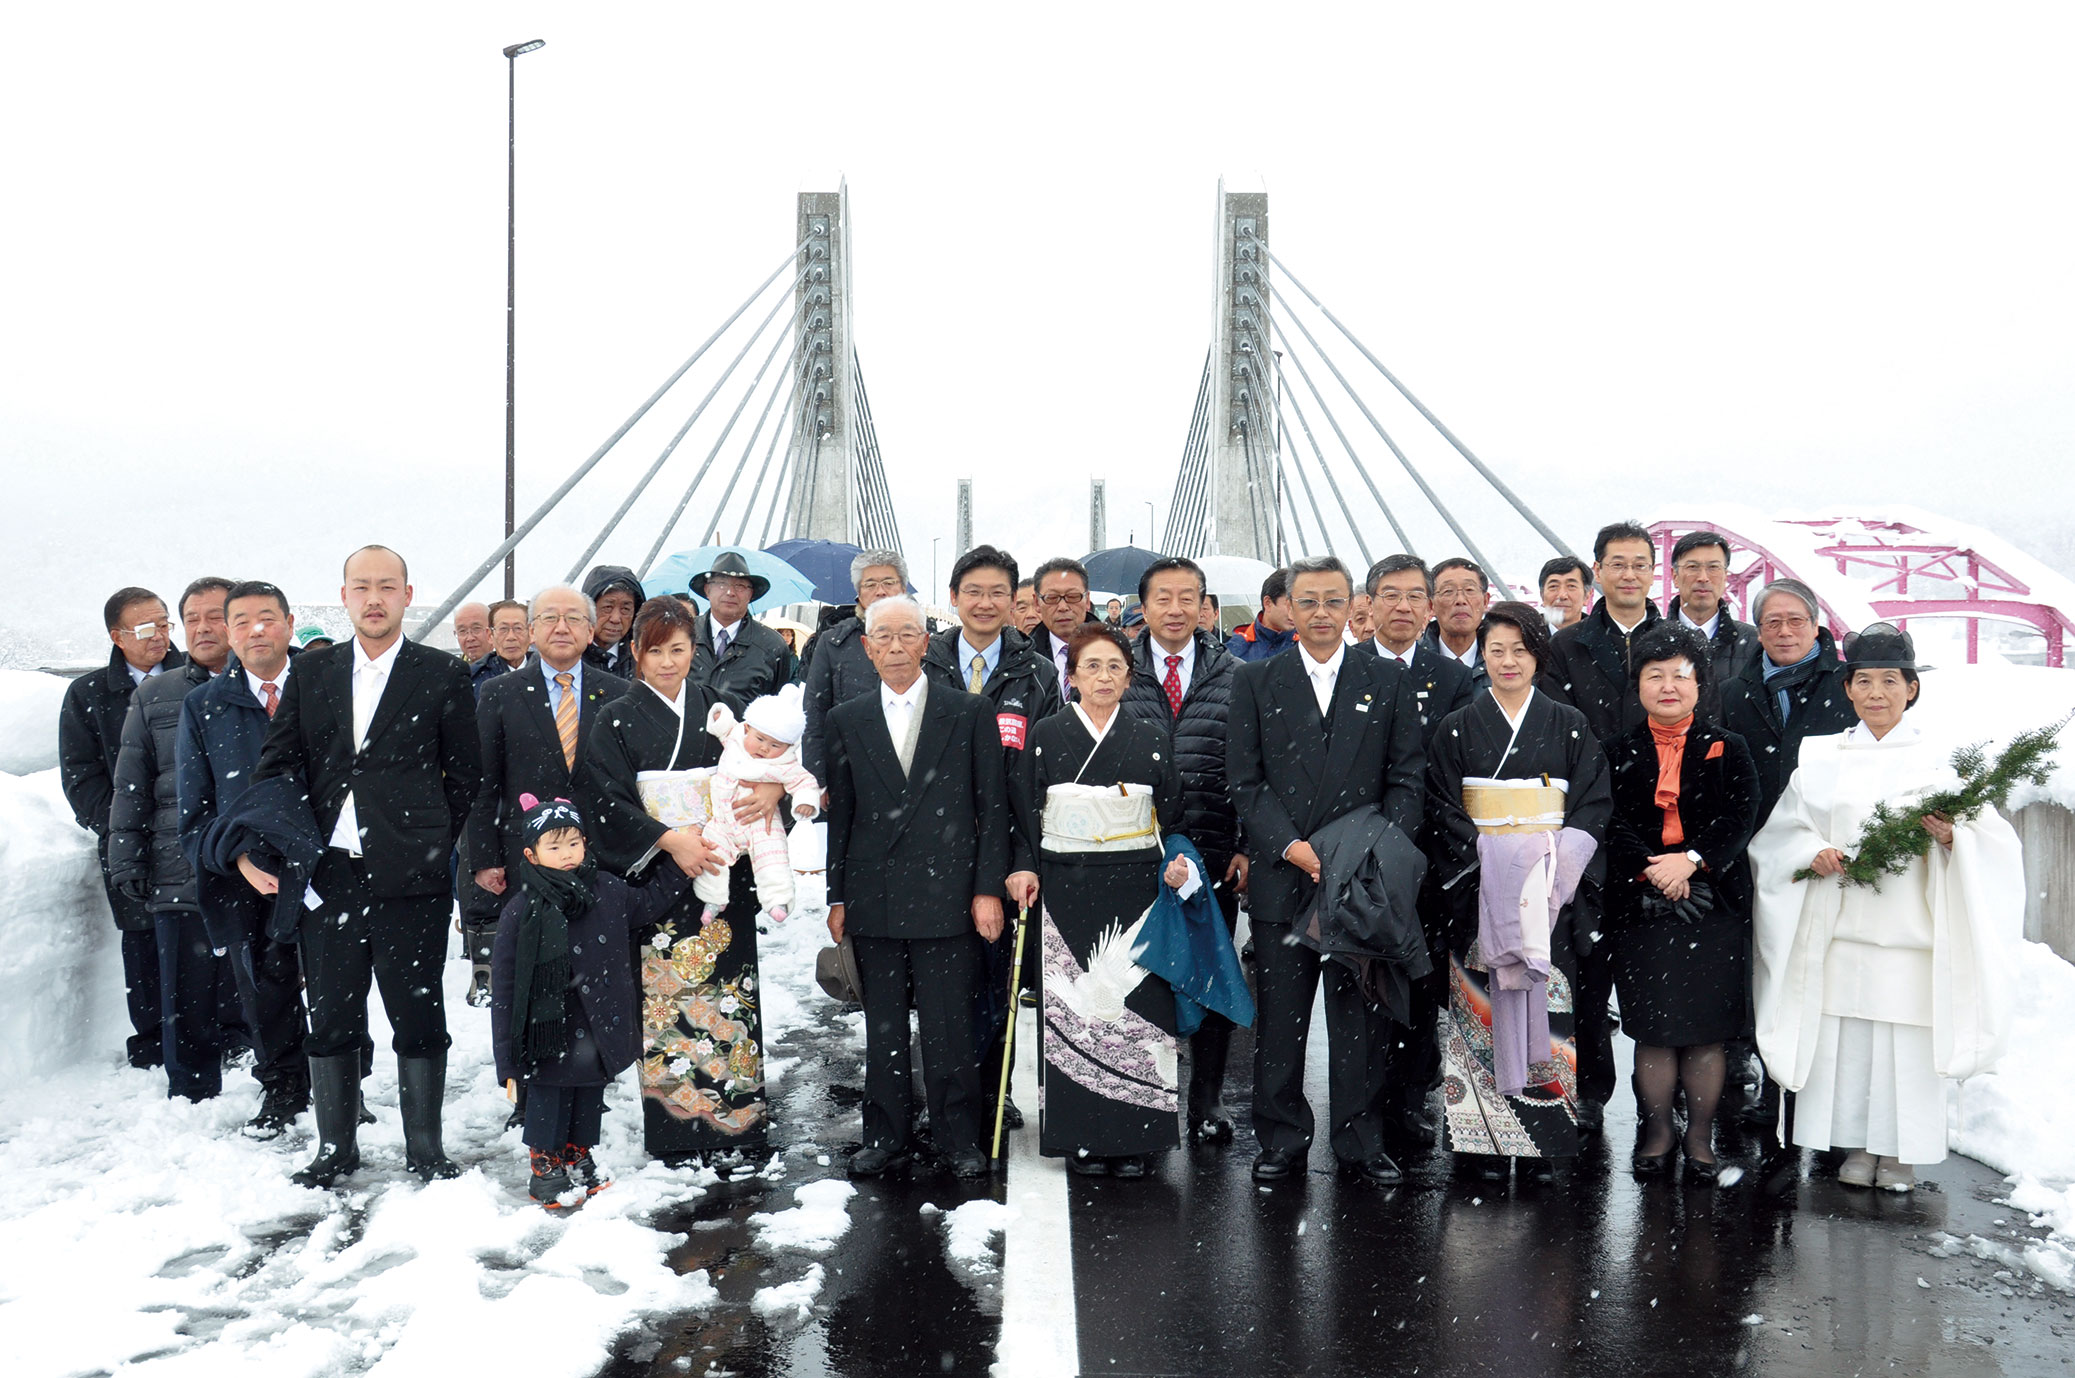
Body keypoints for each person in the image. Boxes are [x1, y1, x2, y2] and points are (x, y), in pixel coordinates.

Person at [1750, 625, 2022, 1193]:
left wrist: (1953, 841)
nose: (1877, 693)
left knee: (1906, 1049)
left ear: (1912, 689)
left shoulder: (1942, 763)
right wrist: (1812, 852)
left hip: (1909, 935)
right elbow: (1782, 833)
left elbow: (1994, 844)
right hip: (1843, 930)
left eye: (1890, 682)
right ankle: (1853, 1146)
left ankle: (1901, 1154)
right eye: (1865, 681)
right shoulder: (1821, 756)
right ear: (1848, 689)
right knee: (1847, 1047)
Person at [252, 545, 482, 1187]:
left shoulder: (440, 673)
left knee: (417, 1009)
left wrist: (426, 833)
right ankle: (336, 1147)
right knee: (330, 1014)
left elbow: (465, 774)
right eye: (362, 587)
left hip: (414, 875)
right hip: (329, 875)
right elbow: (279, 764)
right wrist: (296, 841)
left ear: (408, 595)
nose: (374, 598)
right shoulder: (313, 673)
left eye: (387, 586)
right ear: (344, 596)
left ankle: (426, 1148)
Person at [1227, 555, 1426, 1185]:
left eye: (1333, 601)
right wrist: (1291, 847)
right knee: (1280, 1021)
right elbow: (1246, 782)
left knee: (1359, 1022)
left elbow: (1406, 778)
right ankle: (1282, 1137)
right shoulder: (1257, 681)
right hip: (1285, 877)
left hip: (1359, 886)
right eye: (1307, 601)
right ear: (1287, 605)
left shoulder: (1384, 679)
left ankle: (1359, 1141)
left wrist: (1369, 854)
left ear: (1352, 606)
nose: (1320, 614)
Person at [578, 597, 777, 1166]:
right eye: (656, 650)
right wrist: (669, 840)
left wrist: (772, 791)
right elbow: (604, 797)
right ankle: (678, 1129)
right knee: (666, 997)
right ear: (636, 655)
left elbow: (766, 762)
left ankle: (734, 1119)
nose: (668, 662)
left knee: (726, 992)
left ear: (696, 651)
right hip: (658, 868)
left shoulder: (720, 709)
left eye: (679, 649)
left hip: (719, 861)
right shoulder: (615, 716)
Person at [1424, 601, 1611, 1183]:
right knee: (1477, 999)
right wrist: (1490, 857)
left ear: (1538, 657)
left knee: (1550, 999)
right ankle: (1481, 1142)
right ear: (1481, 655)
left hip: (1547, 889)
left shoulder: (1570, 724)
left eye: (1520, 651)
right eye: (1496, 650)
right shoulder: (1456, 726)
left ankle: (1540, 1138)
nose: (1508, 662)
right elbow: (1440, 803)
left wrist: (1545, 863)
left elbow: (1591, 802)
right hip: (1479, 885)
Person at [824, 596, 1010, 1178]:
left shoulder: (968, 711)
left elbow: (992, 806)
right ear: (867, 647)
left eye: (908, 635)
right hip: (873, 891)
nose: (897, 647)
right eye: (884, 637)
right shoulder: (846, 719)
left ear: (926, 643)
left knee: (949, 1024)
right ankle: (885, 1135)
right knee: (883, 1028)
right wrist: (836, 896)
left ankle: (958, 1139)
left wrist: (987, 889)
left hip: (949, 892)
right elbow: (843, 818)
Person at [1005, 623, 1190, 1177]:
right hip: (1066, 885)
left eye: (1114, 666)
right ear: (1072, 677)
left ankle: (1135, 1136)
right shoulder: (1046, 735)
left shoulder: (1152, 736)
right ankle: (1081, 1134)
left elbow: (1173, 813)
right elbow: (1021, 812)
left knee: (1135, 1007)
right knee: (1075, 1006)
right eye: (1092, 666)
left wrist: (1177, 860)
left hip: (1137, 886)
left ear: (1129, 677)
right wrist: (1022, 866)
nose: (1104, 676)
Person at [1603, 623, 1761, 1183]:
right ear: (1638, 685)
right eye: (1655, 675)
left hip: (1712, 904)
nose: (1668, 686)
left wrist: (1691, 862)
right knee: (1654, 1030)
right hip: (1642, 906)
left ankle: (1699, 1137)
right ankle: (1656, 1131)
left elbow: (1739, 819)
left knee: (1705, 1032)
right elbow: (1610, 820)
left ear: (1699, 684)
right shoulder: (1616, 750)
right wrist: (1654, 870)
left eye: (1680, 675)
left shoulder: (1729, 746)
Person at [919, 545, 1060, 1131]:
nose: (984, 602)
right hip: (930, 847)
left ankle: (991, 1089)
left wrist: (1025, 852)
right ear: (953, 598)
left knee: (996, 975)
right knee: (933, 982)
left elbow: (1044, 771)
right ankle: (943, 1096)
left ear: (1013, 600)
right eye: (972, 591)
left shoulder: (1036, 674)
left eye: (997, 592)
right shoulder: (923, 666)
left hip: (1004, 842)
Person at [492, 795, 691, 1208]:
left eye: (573, 843)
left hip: (598, 1017)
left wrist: (681, 863)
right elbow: (506, 989)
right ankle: (544, 1163)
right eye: (554, 846)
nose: (566, 855)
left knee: (587, 1093)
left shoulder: (608, 890)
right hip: (547, 1025)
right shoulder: (521, 910)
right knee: (549, 1095)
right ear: (531, 854)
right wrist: (507, 1059)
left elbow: (649, 902)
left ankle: (578, 1153)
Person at [1117, 556, 1247, 1143]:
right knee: (1143, 972)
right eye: (1162, 598)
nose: (1175, 609)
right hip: (1132, 851)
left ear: (1204, 607)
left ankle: (1207, 1099)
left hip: (1215, 850)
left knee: (1212, 970)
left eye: (1187, 598)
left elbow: (1253, 766)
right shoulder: (1117, 670)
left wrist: (1244, 845)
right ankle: (1142, 1096)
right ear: (1142, 607)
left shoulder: (1235, 673)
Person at [177, 580, 313, 1137]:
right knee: (265, 985)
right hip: (248, 878)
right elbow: (193, 815)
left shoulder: (327, 689)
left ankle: (342, 1084)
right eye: (242, 622)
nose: (256, 630)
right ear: (229, 635)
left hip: (328, 866)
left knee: (337, 984)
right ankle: (282, 1086)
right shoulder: (205, 706)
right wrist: (239, 861)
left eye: (267, 618)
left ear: (287, 622)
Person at [1539, 520, 1663, 1131]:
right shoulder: (1568, 646)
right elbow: (1559, 731)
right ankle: (1588, 1088)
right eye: (1617, 563)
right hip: (1583, 825)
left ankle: (1659, 1104)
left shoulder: (1671, 642)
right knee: (1584, 968)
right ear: (1598, 572)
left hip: (1658, 824)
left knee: (1655, 968)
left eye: (1640, 563)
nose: (1630, 574)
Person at [1355, 554, 1476, 1149]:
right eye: (1390, 595)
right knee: (1361, 988)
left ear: (1429, 608)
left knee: (1422, 989)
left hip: (1432, 862)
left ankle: (1409, 1101)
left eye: (1413, 597)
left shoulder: (1453, 678)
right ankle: (1361, 1108)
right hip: (1353, 857)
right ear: (1369, 603)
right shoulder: (1343, 670)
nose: (1402, 607)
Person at [466, 585, 629, 1009]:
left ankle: (594, 1065)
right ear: (532, 631)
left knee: (596, 969)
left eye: (574, 618)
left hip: (598, 854)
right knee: (533, 969)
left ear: (591, 632)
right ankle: (533, 1064)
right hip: (526, 857)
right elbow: (483, 783)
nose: (562, 627)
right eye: (550, 618)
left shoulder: (618, 692)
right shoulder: (500, 693)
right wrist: (485, 859)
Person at [109, 576, 237, 1102]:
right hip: (175, 861)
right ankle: (190, 1092)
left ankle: (275, 1081)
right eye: (192, 619)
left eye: (215, 616)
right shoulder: (156, 693)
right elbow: (131, 782)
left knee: (261, 984)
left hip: (254, 863)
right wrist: (127, 860)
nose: (203, 628)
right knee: (184, 989)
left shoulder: (277, 683)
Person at [59, 586, 188, 1069]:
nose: (159, 635)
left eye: (164, 624)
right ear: (117, 636)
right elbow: (81, 776)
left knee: (209, 937)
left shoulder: (194, 678)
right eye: (144, 627)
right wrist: (119, 830)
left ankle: (229, 1033)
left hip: (192, 834)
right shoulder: (89, 694)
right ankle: (153, 1041)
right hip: (130, 843)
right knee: (142, 942)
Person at [1719, 579, 1858, 828]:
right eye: (1773, 622)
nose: (1785, 632)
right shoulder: (1731, 694)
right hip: (1755, 842)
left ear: (1815, 625)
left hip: (1833, 840)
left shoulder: (1850, 686)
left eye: (1796, 620)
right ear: (1759, 633)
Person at [694, 687, 819, 921]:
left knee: (773, 857)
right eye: (760, 739)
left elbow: (804, 780)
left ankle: (777, 900)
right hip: (723, 820)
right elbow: (725, 726)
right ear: (748, 728)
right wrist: (719, 715)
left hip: (761, 822)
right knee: (711, 853)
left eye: (775, 745)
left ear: (788, 746)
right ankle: (712, 899)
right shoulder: (736, 739)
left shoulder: (785, 763)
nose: (764, 748)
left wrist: (805, 802)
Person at [802, 549, 910, 785]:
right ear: (858, 594)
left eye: (888, 582)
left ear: (903, 588)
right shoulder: (834, 643)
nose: (880, 591)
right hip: (850, 774)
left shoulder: (926, 641)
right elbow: (814, 717)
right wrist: (817, 782)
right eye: (870, 584)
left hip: (913, 773)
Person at [1666, 531, 1761, 718]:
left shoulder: (1756, 643)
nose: (1703, 577)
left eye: (1713, 567)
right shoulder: (1649, 641)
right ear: (1674, 576)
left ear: (1726, 575)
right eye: (1692, 567)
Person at [687, 551, 793, 713]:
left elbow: (777, 710)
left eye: (740, 586)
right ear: (707, 590)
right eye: (722, 584)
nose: (730, 592)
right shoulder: (683, 634)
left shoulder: (772, 646)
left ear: (751, 594)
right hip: (686, 736)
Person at [1030, 556, 1101, 697]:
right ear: (1037, 603)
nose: (1063, 607)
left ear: (1087, 601)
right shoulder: (1024, 658)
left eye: (1073, 596)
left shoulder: (1116, 652)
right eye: (1052, 598)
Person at [1424, 558, 1491, 686]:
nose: (1460, 600)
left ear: (1485, 601)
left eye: (1470, 590)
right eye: (1448, 591)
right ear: (1431, 605)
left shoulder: (1503, 663)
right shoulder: (1413, 662)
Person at [581, 565, 647, 680]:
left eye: (625, 609)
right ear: (588, 609)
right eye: (607, 607)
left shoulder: (644, 660)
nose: (616, 619)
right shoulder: (570, 656)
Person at [1224, 568, 1296, 663]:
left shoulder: (1309, 646)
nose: (1295, 612)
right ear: (1267, 603)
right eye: (1289, 605)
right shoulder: (1235, 649)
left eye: (1300, 604)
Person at [473, 599, 530, 698]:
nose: (511, 637)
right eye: (503, 629)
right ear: (490, 635)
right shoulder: (474, 678)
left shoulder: (548, 671)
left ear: (531, 633)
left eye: (518, 628)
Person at [1538, 556, 1593, 631]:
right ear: (1542, 595)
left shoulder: (1605, 638)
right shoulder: (1524, 637)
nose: (1562, 595)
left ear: (1587, 596)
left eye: (1571, 586)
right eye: (1553, 586)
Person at [453, 602, 494, 668]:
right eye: (462, 631)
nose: (470, 638)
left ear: (491, 630)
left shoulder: (509, 667)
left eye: (476, 629)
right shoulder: (454, 672)